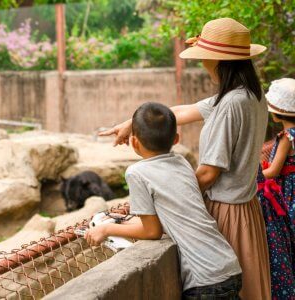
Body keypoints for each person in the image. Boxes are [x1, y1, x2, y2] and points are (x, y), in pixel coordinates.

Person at [98, 18, 271, 299]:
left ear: (218, 61)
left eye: (204, 57)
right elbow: (183, 111)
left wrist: (169, 200)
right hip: (247, 209)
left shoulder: (229, 105)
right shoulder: (250, 94)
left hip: (227, 212)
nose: (201, 63)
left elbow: (207, 174)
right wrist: (133, 122)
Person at [85, 102, 242, 298]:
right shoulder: (182, 162)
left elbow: (152, 231)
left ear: (134, 143)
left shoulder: (137, 173)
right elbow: (169, 213)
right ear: (176, 139)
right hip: (228, 264)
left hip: (205, 280)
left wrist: (106, 228)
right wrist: (121, 220)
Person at [257, 78, 295, 298]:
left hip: (287, 195)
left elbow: (273, 171)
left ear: (276, 113)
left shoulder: (286, 138)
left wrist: (253, 174)